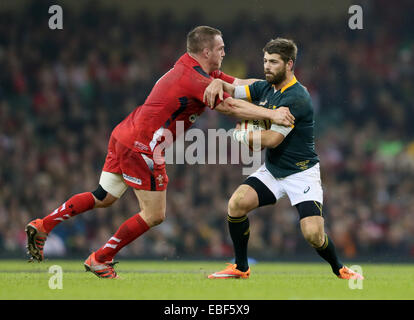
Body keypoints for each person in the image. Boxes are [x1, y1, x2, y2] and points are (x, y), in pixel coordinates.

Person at [25, 26, 295, 279]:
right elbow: (231, 108)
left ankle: (43, 225)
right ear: (206, 52)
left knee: (103, 196)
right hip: (144, 145)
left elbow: (240, 85)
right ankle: (101, 258)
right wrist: (273, 114)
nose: (225, 52)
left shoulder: (198, 71)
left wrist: (279, 86)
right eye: (221, 48)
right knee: (155, 214)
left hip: (125, 133)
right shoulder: (193, 78)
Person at [204, 38, 364, 280]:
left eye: (274, 62)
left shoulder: (297, 98)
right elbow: (235, 85)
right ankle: (241, 267)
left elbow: (271, 140)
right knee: (236, 204)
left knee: (313, 235)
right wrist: (217, 80)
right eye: (265, 61)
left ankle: (339, 268)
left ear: (289, 64)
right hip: (273, 170)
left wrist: (242, 134)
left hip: (301, 173)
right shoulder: (267, 87)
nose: (267, 66)